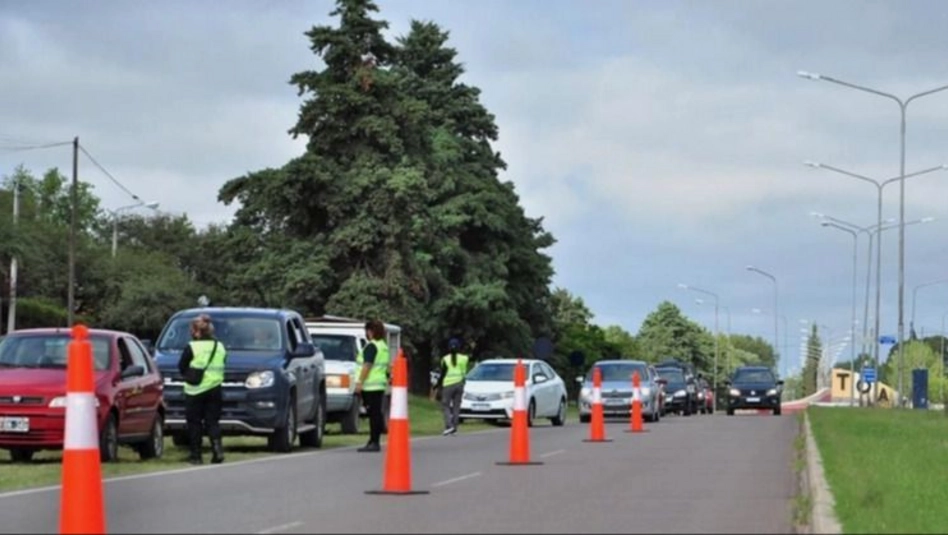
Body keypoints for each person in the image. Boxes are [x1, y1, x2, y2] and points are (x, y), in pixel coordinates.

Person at [177, 314, 228, 465]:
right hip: (215, 388)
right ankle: (217, 451)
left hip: (195, 390)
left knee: (194, 423)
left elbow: (181, 366)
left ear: (196, 331)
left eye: (191, 330)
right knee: (213, 422)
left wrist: (189, 374)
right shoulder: (219, 346)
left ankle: (196, 456)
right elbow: (224, 362)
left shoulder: (192, 346)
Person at [354, 319, 390, 452]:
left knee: (373, 415)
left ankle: (374, 442)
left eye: (367, 331)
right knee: (376, 414)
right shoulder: (383, 346)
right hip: (379, 384)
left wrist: (360, 382)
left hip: (370, 385)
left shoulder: (371, 346)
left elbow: (367, 365)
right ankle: (373, 440)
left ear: (371, 332)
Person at [434, 338, 469, 435]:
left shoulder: (445, 359)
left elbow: (443, 374)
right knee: (456, 406)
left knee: (445, 405)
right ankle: (455, 427)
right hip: (459, 383)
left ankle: (449, 426)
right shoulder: (464, 358)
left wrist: (437, 385)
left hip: (448, 384)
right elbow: (464, 372)